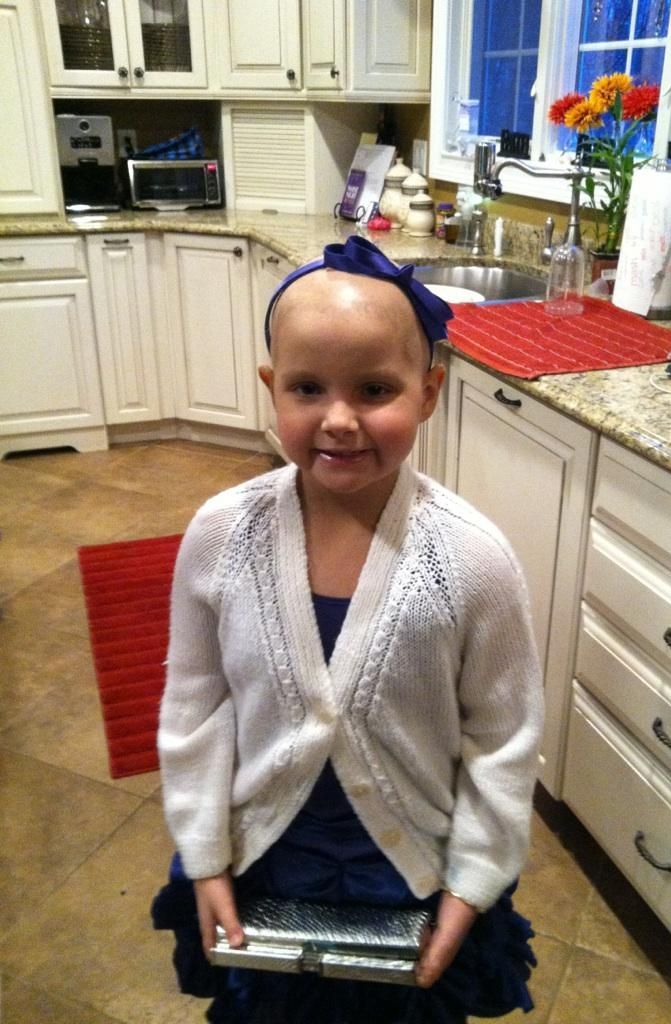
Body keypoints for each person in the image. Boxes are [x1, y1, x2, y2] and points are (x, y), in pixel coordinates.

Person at [152, 235, 544, 1024]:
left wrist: (471, 887)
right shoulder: (220, 535)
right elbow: (193, 709)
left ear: (429, 391)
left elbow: (504, 741)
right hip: (264, 863)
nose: (338, 420)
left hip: (411, 879)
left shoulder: (473, 558)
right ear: (271, 389)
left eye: (373, 389)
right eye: (306, 388)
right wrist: (205, 859)